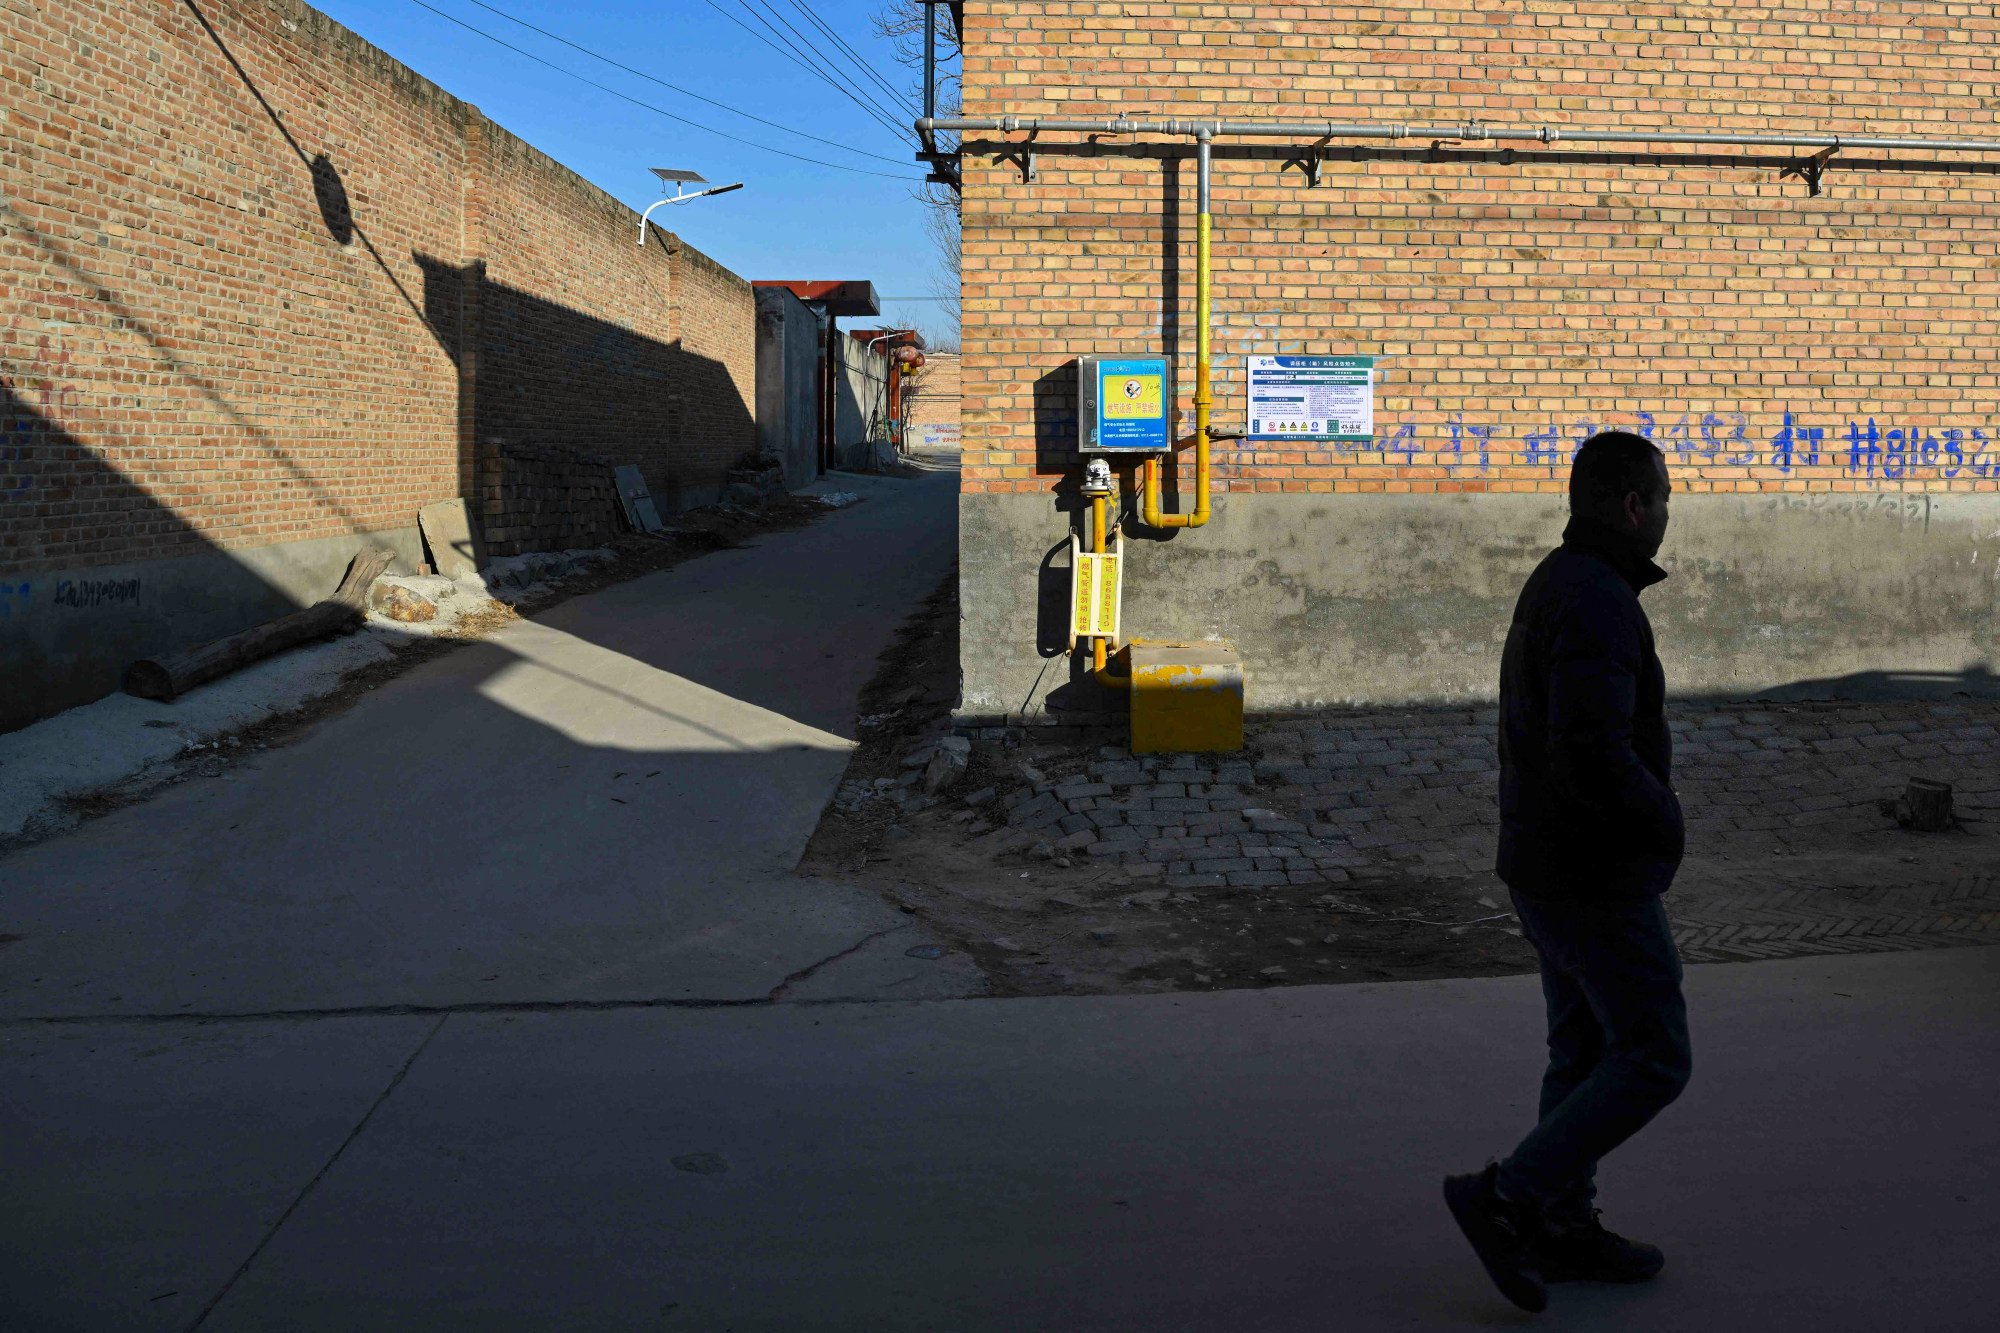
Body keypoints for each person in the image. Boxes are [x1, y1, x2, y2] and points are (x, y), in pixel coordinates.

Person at [1444, 431, 1691, 1314]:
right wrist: (1665, 819)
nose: (1666, 514)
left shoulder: (1566, 581)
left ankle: (1559, 1222)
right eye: (1662, 498)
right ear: (1632, 505)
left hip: (1546, 864)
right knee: (1655, 1054)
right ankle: (1510, 1194)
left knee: (1583, 1048)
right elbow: (1593, 751)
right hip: (1591, 877)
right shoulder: (1595, 599)